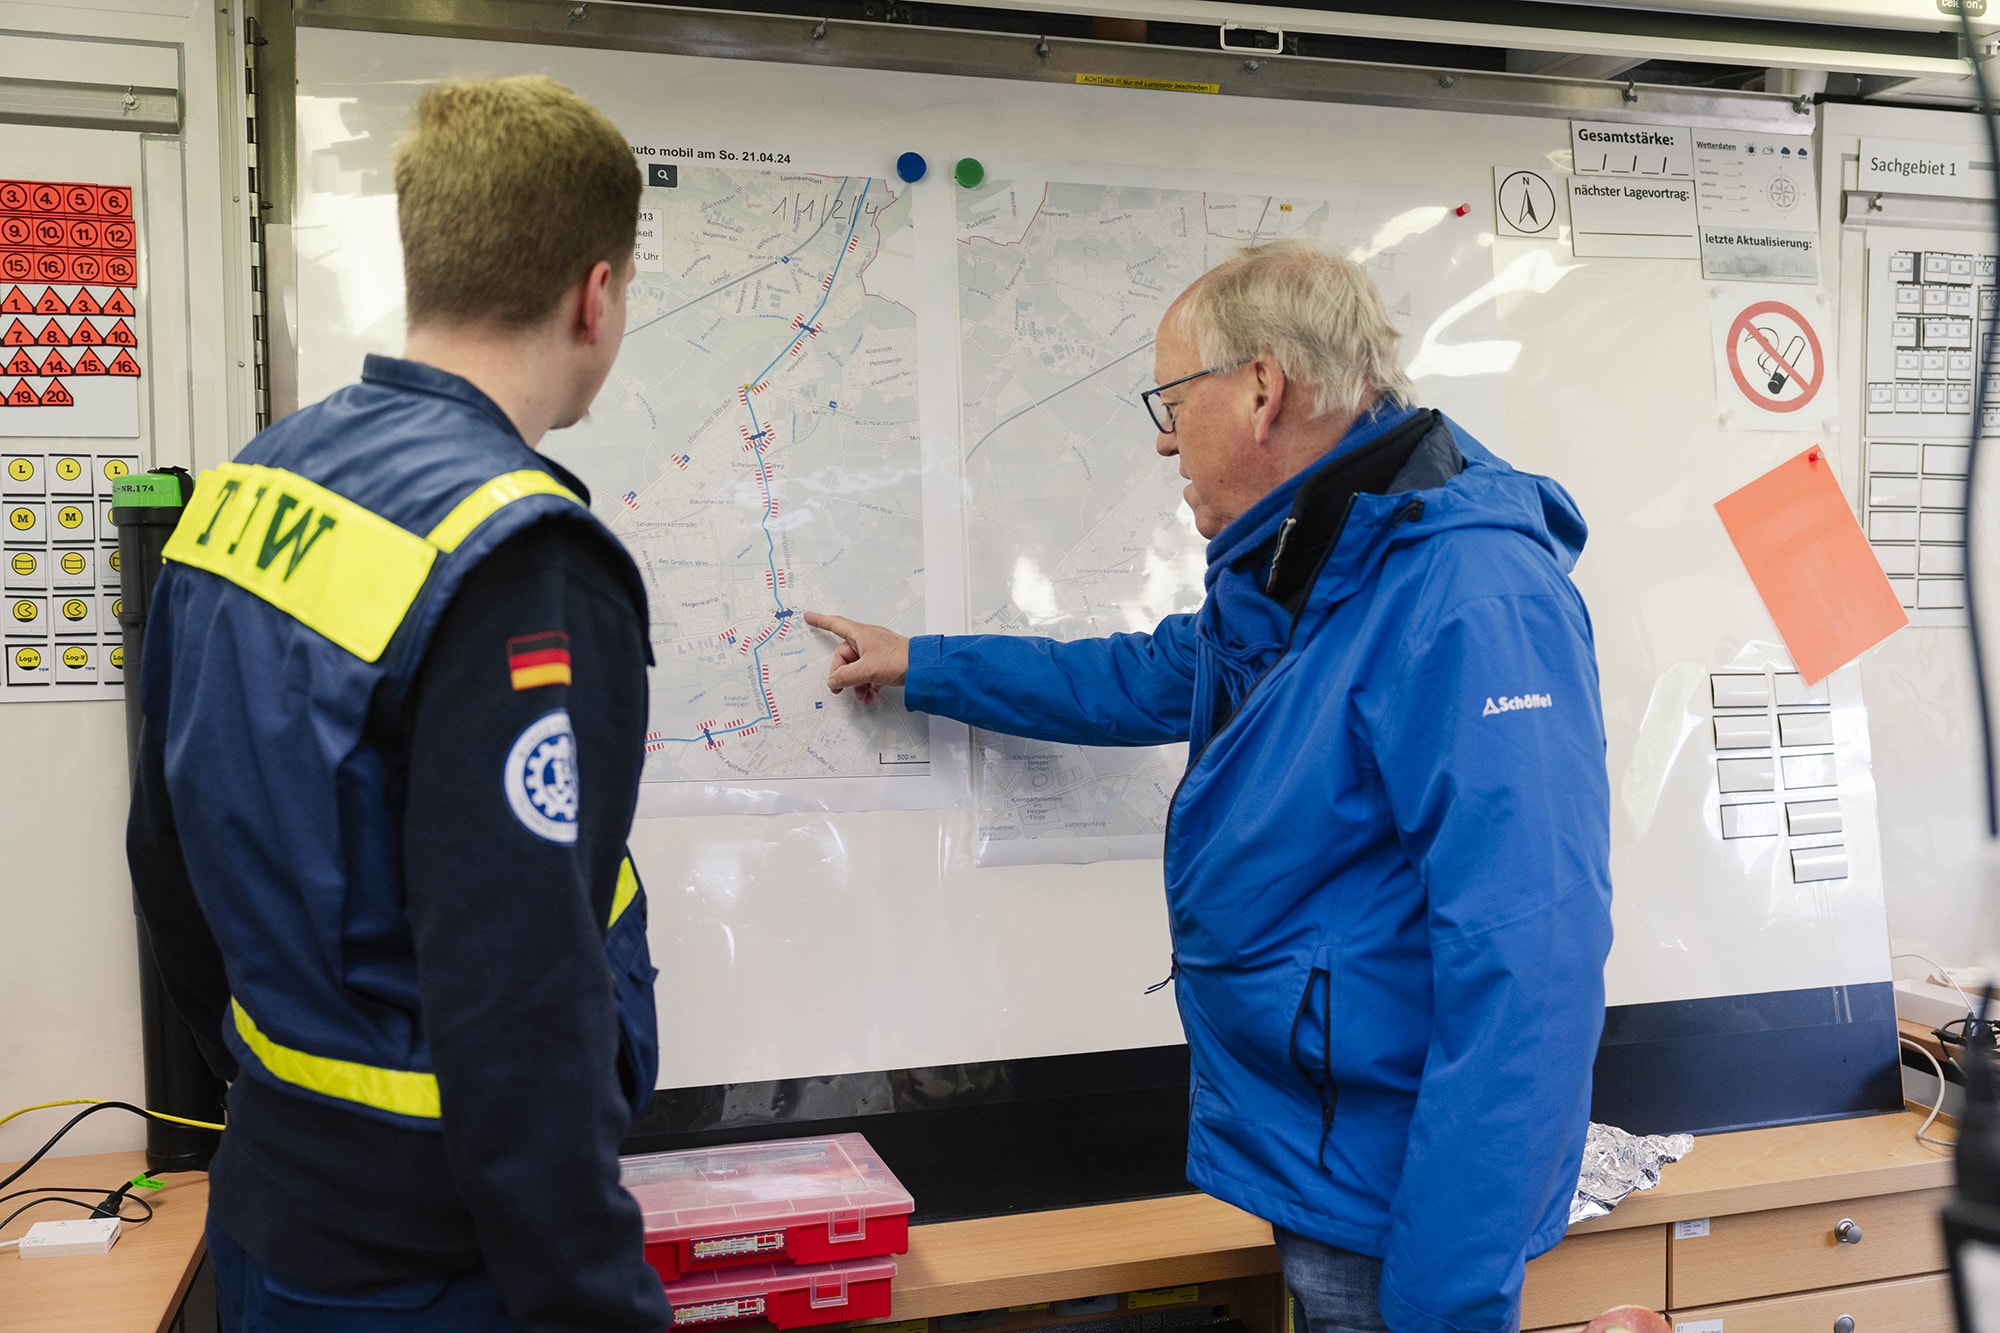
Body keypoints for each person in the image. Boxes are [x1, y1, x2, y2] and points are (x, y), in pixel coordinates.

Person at [807, 240, 1614, 1333]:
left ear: (1260, 388)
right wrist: (927, 663)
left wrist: (1450, 1298)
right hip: (1329, 1167)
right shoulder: (1315, 558)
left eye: (1171, 399)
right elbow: (1148, 674)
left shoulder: (1467, 593)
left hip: (1407, 1213)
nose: (1159, 435)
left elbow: (1529, 963)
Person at [126, 77, 668, 1332]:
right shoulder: (516, 557)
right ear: (597, 294)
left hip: (274, 1210)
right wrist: (595, 1303)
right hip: (442, 1267)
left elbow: (162, 853)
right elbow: (521, 999)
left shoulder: (249, 486)